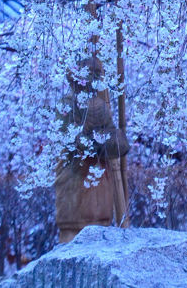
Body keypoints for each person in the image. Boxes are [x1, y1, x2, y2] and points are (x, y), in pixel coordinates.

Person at [54, 56, 130, 243]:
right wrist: (95, 139)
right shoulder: (67, 104)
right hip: (75, 177)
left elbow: (119, 143)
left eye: (98, 74)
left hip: (99, 181)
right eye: (91, 73)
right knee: (73, 233)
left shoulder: (100, 106)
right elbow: (70, 139)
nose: (95, 79)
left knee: (99, 231)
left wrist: (106, 139)